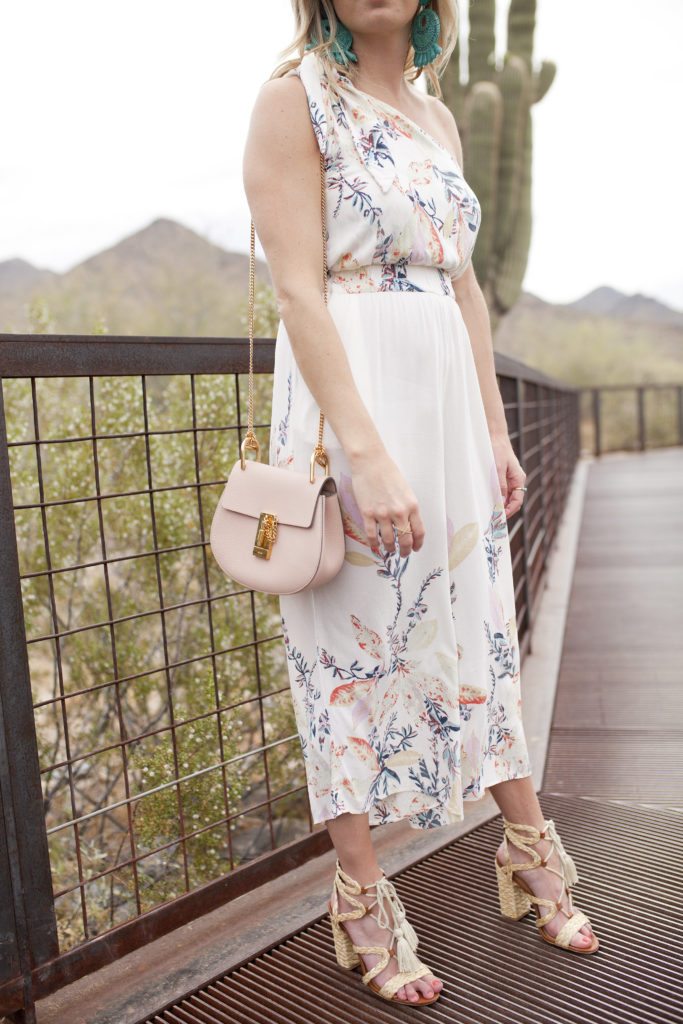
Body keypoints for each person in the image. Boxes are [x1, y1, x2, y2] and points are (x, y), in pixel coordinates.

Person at [243, 0, 599, 1006]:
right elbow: (298, 293)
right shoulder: (293, 100)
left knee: (478, 629)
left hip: (445, 411)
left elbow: (466, 290)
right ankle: (360, 900)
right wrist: (363, 450)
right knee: (345, 652)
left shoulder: (437, 114)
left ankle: (524, 847)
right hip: (350, 408)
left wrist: (492, 431)